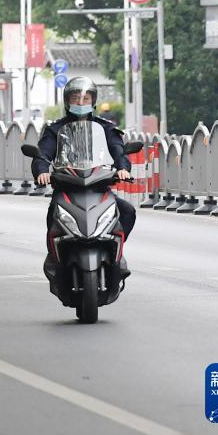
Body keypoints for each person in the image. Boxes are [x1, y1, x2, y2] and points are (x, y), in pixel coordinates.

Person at [32, 76, 134, 281]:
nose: (81, 102)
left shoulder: (105, 128)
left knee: (127, 211)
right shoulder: (55, 129)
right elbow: (43, 154)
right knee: (53, 215)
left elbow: (118, 151)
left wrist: (122, 168)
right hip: (68, 187)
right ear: (67, 100)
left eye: (86, 98)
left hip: (99, 186)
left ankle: (117, 256)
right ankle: (54, 257)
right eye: (76, 98)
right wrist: (42, 171)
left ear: (93, 101)